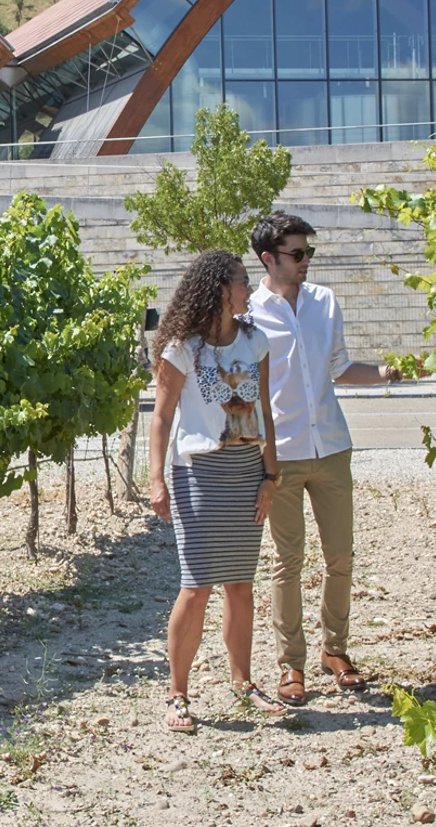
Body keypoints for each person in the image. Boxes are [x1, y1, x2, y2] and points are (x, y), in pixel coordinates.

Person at [247, 213, 414, 706]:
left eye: (308, 254)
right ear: (268, 259)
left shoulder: (325, 302)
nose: (305, 263)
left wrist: (387, 372)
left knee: (341, 557)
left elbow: (340, 368)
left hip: (333, 447)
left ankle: (334, 653)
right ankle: (290, 666)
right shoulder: (249, 313)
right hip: (281, 456)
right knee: (287, 562)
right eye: (297, 254)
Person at [147, 250, 284, 733]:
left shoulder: (256, 341)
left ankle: (243, 683)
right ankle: (177, 695)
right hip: (198, 474)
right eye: (244, 282)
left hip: (246, 471)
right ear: (220, 290)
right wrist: (156, 478)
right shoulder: (182, 348)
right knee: (197, 583)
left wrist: (270, 477)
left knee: (241, 584)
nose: (250, 289)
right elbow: (161, 418)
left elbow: (263, 410)